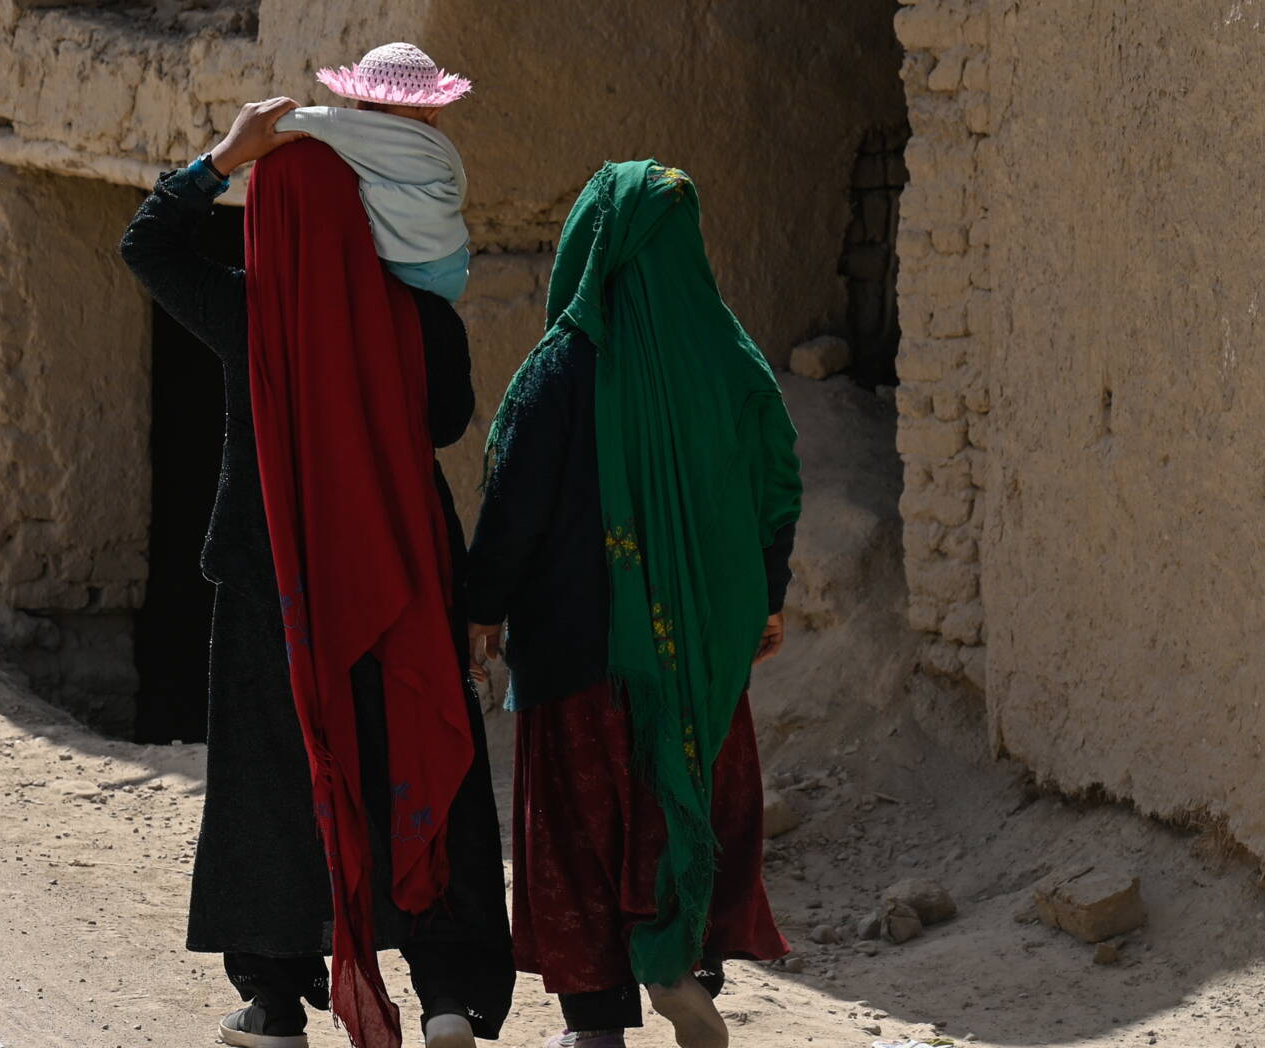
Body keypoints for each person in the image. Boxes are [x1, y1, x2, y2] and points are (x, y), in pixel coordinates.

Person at [120, 98, 515, 1048]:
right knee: (417, 766)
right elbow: (449, 422)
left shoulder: (249, 309)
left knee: (274, 786)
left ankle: (272, 1003)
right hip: (403, 579)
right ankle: (447, 996)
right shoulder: (423, 322)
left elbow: (148, 246)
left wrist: (220, 159)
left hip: (274, 588)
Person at [463, 162, 802, 1048]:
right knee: (683, 803)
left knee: (581, 833)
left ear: (594, 244)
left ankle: (596, 1024)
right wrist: (767, 600)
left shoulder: (562, 368)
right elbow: (775, 484)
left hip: (578, 659)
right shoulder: (730, 361)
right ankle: (679, 962)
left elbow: (514, 506)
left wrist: (481, 608)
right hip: (700, 657)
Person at [272, 42, 473, 302]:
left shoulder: (363, 130)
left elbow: (294, 121)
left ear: (363, 106)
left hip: (408, 270)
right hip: (454, 262)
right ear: (430, 108)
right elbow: (460, 188)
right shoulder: (439, 143)